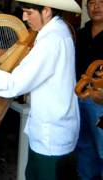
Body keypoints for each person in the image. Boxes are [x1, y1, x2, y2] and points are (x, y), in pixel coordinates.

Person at [0, 0, 81, 179]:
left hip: (51, 135)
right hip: (53, 127)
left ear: (47, 11)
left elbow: (13, 85)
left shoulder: (51, 40)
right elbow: (34, 65)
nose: (24, 17)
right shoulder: (57, 30)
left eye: (29, 12)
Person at [75, 0, 103, 179]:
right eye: (92, 3)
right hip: (80, 98)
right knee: (84, 147)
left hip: (101, 103)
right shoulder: (81, 33)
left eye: (101, 2)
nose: (96, 6)